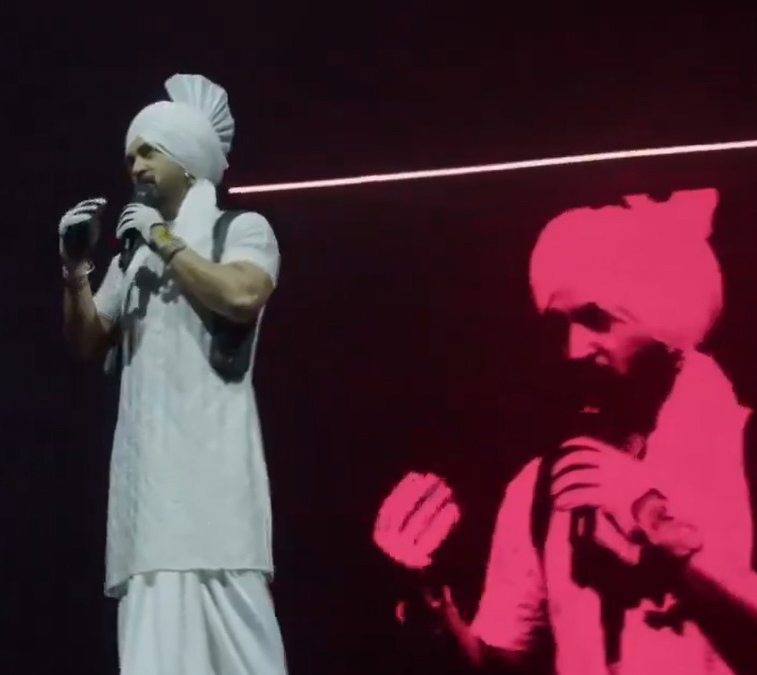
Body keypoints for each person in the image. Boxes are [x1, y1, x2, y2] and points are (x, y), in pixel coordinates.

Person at [372, 188, 757, 674]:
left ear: (667, 321)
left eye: (597, 321)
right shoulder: (543, 487)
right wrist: (433, 609)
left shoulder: (746, 451)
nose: (574, 350)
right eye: (562, 327)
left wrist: (653, 522)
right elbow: (504, 666)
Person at [59, 73, 289, 674]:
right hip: (148, 497)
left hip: (216, 487)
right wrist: (76, 270)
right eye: (129, 157)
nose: (135, 166)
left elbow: (242, 295)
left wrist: (163, 240)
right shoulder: (131, 256)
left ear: (186, 160)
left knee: (243, 648)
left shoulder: (239, 229)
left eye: (147, 151)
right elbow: (88, 338)